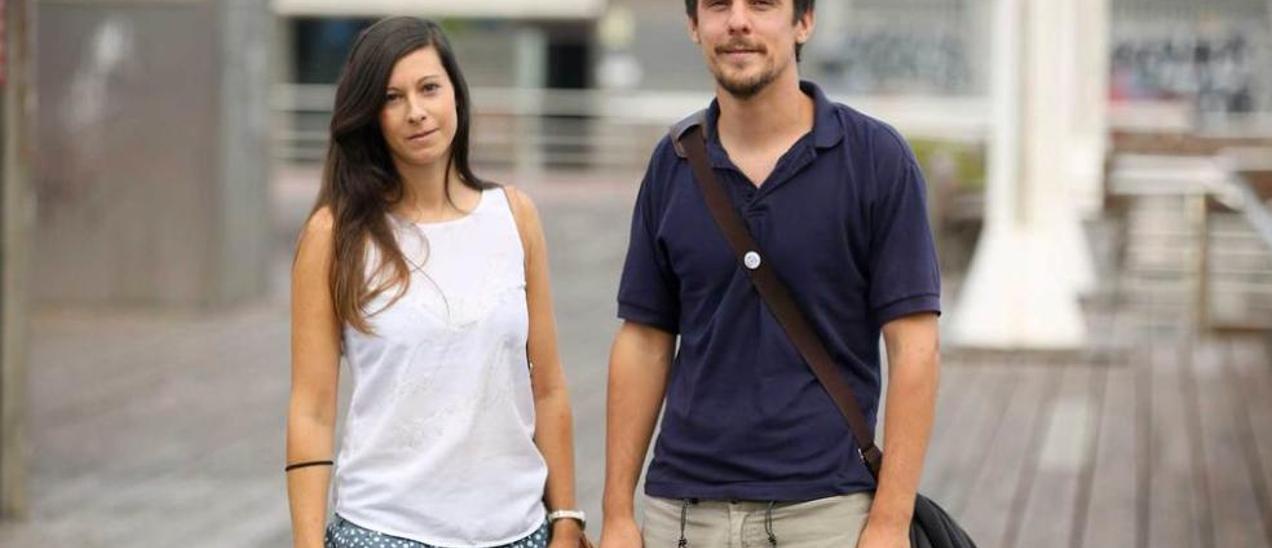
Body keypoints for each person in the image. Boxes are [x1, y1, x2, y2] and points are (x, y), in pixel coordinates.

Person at [600, 1, 942, 547]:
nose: (738, 21)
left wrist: (890, 522)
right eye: (717, 6)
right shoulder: (673, 163)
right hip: (682, 518)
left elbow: (915, 348)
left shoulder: (876, 159)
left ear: (803, 22)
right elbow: (643, 340)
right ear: (694, 26)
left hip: (825, 515)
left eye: (761, 4)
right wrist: (618, 513)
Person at [286, 17, 583, 548]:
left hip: (518, 531)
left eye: (429, 88)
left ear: (456, 95)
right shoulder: (334, 234)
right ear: (369, 115)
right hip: (385, 529)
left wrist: (565, 516)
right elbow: (310, 409)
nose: (416, 111)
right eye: (392, 97)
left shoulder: (513, 216)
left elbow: (550, 386)